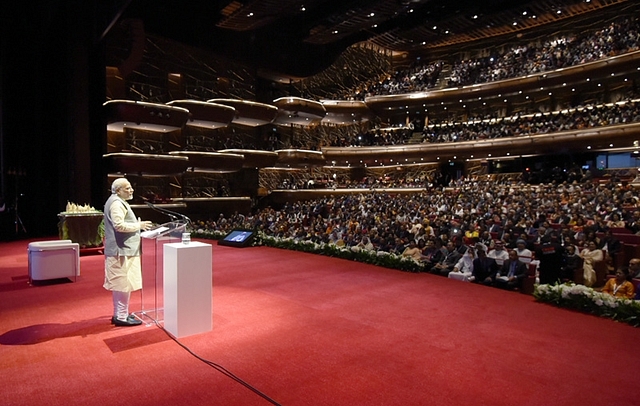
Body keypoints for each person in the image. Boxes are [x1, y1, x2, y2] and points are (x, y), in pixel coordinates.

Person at [104, 178, 153, 327]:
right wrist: (139, 225)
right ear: (118, 190)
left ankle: (120, 314)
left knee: (121, 284)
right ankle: (122, 316)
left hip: (122, 250)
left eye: (131, 187)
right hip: (122, 251)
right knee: (124, 284)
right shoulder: (117, 204)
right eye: (127, 188)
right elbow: (119, 226)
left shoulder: (115, 201)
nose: (131, 190)